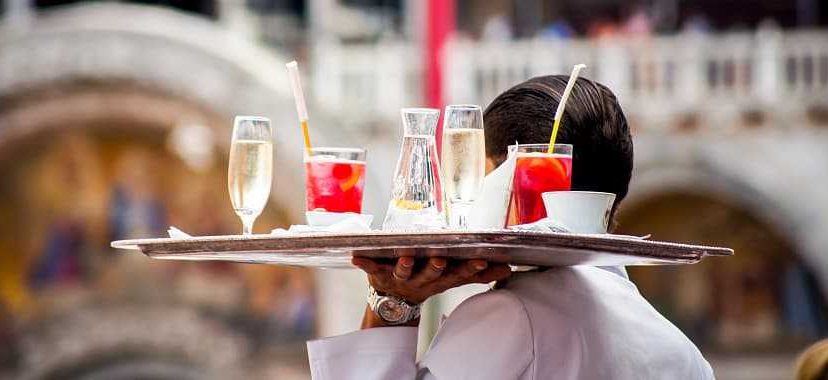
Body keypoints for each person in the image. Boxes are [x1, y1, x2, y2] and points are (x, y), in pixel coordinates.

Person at [306, 76, 714, 379]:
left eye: (479, 177)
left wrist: (392, 302)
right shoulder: (685, 354)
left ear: (513, 182)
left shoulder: (511, 317)